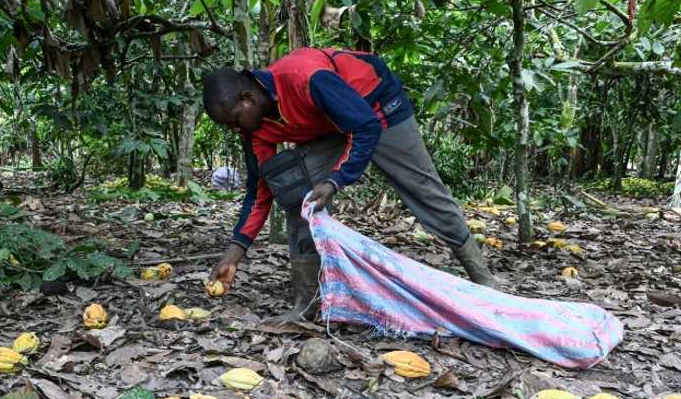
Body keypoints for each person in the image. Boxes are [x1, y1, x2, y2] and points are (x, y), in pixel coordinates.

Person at [202, 47, 496, 321]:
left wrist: (335, 179)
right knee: (298, 191)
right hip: (331, 126)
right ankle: (306, 302)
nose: (235, 129)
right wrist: (234, 254)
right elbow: (260, 189)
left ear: (248, 99)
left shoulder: (305, 77)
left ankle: (485, 283)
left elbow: (365, 124)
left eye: (235, 121)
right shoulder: (255, 129)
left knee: (424, 192)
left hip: (377, 109)